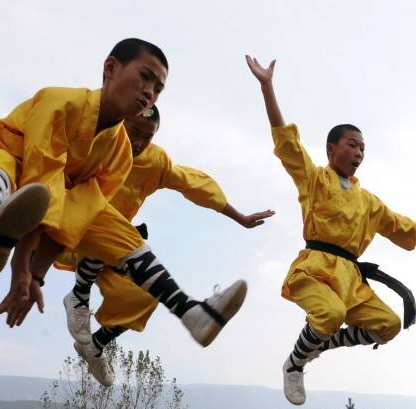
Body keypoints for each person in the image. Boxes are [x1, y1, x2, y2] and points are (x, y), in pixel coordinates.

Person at [0, 38, 246, 343]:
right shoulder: (60, 103)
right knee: (3, 163)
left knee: (109, 220)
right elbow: (39, 183)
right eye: (145, 78)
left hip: (31, 213)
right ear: (111, 68)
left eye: (158, 89)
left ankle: (189, 311)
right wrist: (19, 267)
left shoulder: (118, 154)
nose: (149, 93)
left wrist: (33, 277)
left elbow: (70, 218)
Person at [245, 55, 416, 405]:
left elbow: (401, 224)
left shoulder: (368, 201)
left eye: (363, 147)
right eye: (352, 144)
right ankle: (295, 363)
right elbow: (287, 144)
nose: (358, 151)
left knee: (389, 325)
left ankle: (321, 343)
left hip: (351, 277)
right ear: (332, 149)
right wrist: (267, 86)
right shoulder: (316, 179)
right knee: (330, 314)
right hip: (317, 268)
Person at [59, 104, 274, 385]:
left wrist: (239, 217)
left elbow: (195, 185)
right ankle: (80, 293)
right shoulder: (98, 143)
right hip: (73, 231)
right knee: (105, 220)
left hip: (121, 250)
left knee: (145, 295)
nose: (137, 142)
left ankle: (94, 345)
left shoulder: (155, 162)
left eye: (146, 137)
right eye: (134, 132)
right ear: (121, 123)